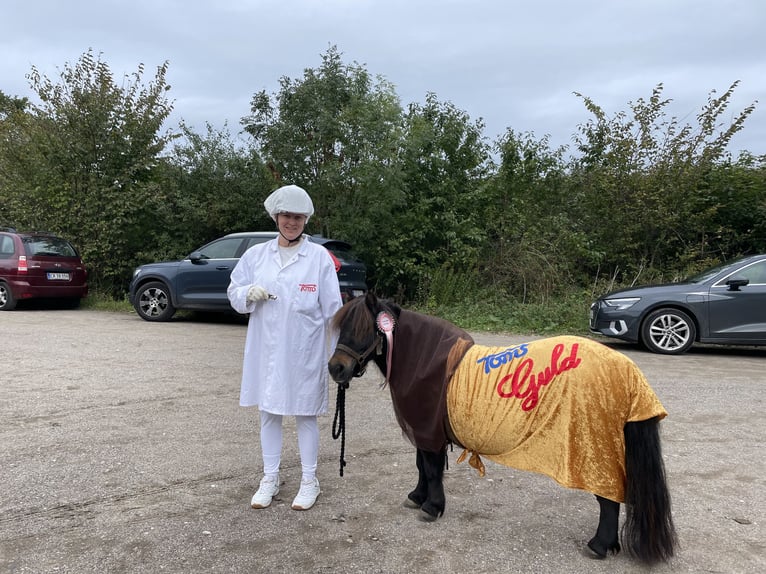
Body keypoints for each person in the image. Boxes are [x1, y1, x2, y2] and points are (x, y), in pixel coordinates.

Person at [227, 184, 343, 511]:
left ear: (305, 220)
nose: (292, 222)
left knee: (305, 414)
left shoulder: (318, 258)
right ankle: (270, 477)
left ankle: (310, 480)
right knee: (269, 413)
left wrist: (337, 357)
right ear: (276, 217)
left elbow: (333, 311)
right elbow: (234, 292)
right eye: (286, 216)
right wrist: (248, 292)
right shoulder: (256, 256)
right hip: (267, 351)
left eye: (298, 217)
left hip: (306, 352)